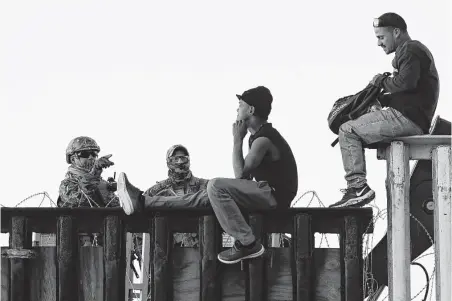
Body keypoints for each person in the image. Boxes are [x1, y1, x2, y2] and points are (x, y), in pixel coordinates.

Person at [117, 86, 298, 264]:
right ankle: (142, 201)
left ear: (251, 109)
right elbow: (244, 181)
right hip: (264, 194)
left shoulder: (263, 139)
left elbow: (240, 176)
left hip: (274, 196)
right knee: (200, 198)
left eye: (240, 105)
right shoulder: (257, 137)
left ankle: (248, 243)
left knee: (215, 185)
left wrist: (237, 140)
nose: (237, 109)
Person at [329, 13, 439, 208]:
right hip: (412, 118)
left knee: (347, 130)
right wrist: (378, 99)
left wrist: (380, 81)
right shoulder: (410, 52)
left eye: (381, 37)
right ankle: (357, 187)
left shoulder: (410, 49)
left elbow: (405, 83)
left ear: (396, 32)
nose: (379, 43)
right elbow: (408, 88)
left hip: (407, 119)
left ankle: (358, 188)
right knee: (355, 129)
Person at [58, 136, 120, 246]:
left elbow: (117, 208)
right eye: (85, 154)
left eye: (94, 154)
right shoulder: (67, 184)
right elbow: (81, 202)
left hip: (107, 241)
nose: (91, 158)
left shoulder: (102, 183)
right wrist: (95, 173)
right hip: (80, 244)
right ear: (73, 159)